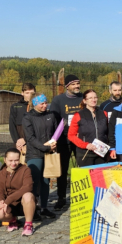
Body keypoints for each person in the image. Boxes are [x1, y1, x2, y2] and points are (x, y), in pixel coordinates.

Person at [49, 74, 82, 210]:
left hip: (80, 140)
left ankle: (82, 196)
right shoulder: (58, 100)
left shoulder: (83, 98)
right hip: (64, 140)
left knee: (82, 169)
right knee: (62, 169)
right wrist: (53, 139)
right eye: (73, 84)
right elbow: (53, 120)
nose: (77, 86)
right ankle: (61, 197)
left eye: (78, 83)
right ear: (67, 86)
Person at [21, 94, 57, 219]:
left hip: (48, 153)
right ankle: (33, 208)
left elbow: (55, 132)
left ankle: (44, 207)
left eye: (46, 103)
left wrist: (53, 145)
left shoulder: (50, 115)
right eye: (41, 104)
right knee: (34, 182)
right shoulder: (28, 117)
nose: (44, 106)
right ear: (35, 104)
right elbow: (30, 138)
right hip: (35, 153)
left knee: (46, 181)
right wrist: (44, 147)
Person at [0, 148, 35, 236]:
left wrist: (9, 200)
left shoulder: (25, 170)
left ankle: (28, 224)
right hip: (9, 205)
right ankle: (12, 220)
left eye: (16, 160)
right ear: (5, 160)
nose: (13, 163)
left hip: (23, 203)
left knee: (28, 195)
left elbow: (28, 187)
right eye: (10, 160)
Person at [67, 89, 110, 167]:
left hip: (101, 154)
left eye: (95, 97)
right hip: (85, 154)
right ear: (84, 101)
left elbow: (108, 133)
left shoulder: (104, 114)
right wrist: (85, 145)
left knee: (99, 179)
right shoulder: (78, 115)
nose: (93, 100)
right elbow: (71, 135)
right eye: (90, 98)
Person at [9, 82, 35, 153]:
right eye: (27, 93)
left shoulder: (38, 107)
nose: (29, 95)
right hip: (19, 141)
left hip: (34, 141)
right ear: (22, 93)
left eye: (32, 93)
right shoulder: (15, 107)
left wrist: (25, 139)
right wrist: (18, 141)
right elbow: (12, 126)